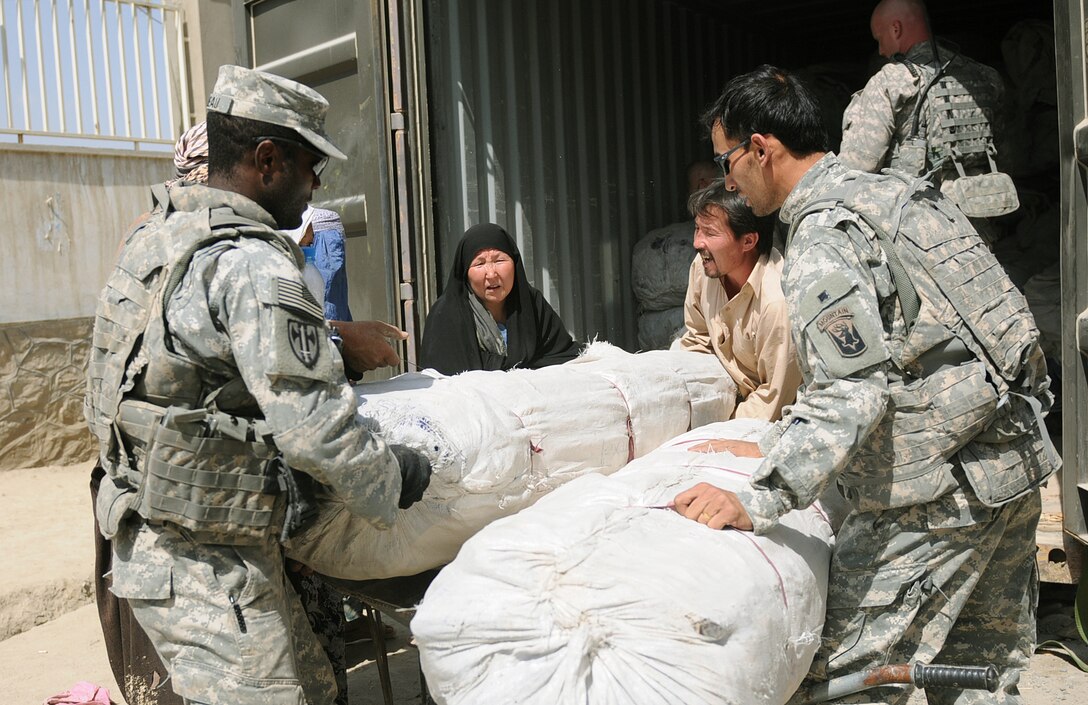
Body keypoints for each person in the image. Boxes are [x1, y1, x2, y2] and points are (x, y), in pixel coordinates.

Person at [674, 65, 1056, 704]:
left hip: (936, 497)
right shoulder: (897, 195)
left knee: (844, 683)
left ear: (761, 150)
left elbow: (852, 394)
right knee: (972, 678)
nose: (725, 180)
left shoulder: (824, 237)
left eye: (726, 162)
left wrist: (761, 495)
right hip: (1012, 461)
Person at [84, 64, 432, 705]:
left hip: (162, 536)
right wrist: (392, 477)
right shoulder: (252, 263)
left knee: (321, 687)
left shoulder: (154, 238)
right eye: (310, 164)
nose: (317, 182)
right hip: (207, 565)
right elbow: (315, 427)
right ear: (267, 159)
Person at [839, 0, 1017, 243]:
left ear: (895, 29)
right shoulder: (986, 76)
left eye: (879, 38)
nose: (881, 50)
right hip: (980, 226)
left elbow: (858, 165)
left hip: (920, 234)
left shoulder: (890, 81)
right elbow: (1005, 155)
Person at [672, 183, 801, 421]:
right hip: (732, 400)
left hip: (777, 420)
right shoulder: (703, 269)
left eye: (710, 233)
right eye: (697, 229)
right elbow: (697, 341)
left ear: (748, 242)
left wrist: (717, 425)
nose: (698, 243)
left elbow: (774, 400)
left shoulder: (776, 302)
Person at [419, 223, 580, 375]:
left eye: (499, 261)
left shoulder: (532, 304)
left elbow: (562, 356)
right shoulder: (445, 316)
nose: (491, 274)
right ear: (465, 273)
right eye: (479, 264)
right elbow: (446, 376)